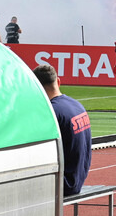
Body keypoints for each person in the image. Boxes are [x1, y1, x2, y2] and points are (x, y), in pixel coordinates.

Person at [33, 64, 91, 196]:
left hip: (63, 183)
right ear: (58, 81)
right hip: (77, 178)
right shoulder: (77, 105)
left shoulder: (52, 113)